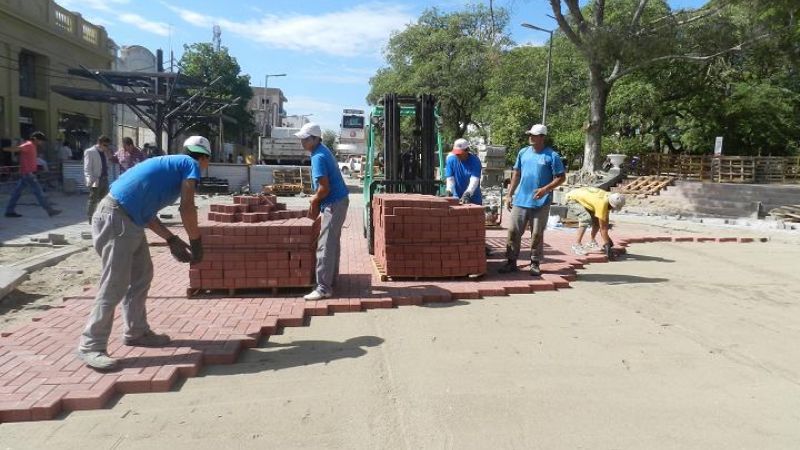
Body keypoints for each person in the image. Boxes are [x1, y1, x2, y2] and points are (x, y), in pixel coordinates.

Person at [76, 136, 210, 370]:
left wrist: (171, 239)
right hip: (116, 219)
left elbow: (146, 212)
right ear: (205, 158)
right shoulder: (190, 165)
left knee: (141, 276)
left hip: (128, 219)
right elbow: (187, 206)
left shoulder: (169, 167)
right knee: (114, 284)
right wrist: (196, 241)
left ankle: (136, 331)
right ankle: (91, 345)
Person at [499, 124, 566, 276]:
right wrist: (509, 194)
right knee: (513, 231)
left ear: (542, 137)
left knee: (537, 233)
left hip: (540, 202)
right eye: (530, 134)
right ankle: (511, 262)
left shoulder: (552, 156)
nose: (531, 137)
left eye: (534, 135)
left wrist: (545, 189)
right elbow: (516, 174)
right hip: (521, 200)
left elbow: (561, 178)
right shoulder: (523, 152)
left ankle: (535, 262)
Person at [295, 123, 349, 301]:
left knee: (325, 244)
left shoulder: (318, 156)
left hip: (334, 202)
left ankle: (324, 288)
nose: (302, 141)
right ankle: (331, 280)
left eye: (305, 138)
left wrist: (314, 200)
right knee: (332, 242)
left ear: (315, 139)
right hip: (338, 201)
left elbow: (324, 188)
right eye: (302, 138)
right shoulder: (322, 150)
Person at [3, 131, 61, 218]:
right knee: (39, 193)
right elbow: (18, 148)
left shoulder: (32, 145)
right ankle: (50, 210)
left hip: (26, 174)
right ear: (35, 139)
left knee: (16, 193)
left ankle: (9, 211)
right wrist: (4, 148)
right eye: (41, 140)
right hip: (29, 174)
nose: (41, 142)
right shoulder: (29, 144)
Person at [565, 187, 626, 258]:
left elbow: (604, 222)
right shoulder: (602, 204)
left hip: (585, 198)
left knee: (597, 221)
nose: (613, 209)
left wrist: (607, 240)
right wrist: (607, 245)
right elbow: (603, 228)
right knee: (585, 218)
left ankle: (591, 242)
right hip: (572, 199)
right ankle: (576, 245)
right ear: (611, 204)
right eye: (613, 207)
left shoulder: (609, 198)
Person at [83, 135, 113, 221]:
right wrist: (89, 180)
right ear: (99, 143)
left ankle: (102, 217)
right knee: (93, 199)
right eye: (105, 145)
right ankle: (90, 218)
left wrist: (109, 156)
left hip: (105, 178)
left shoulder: (105, 152)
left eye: (108, 145)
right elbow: (87, 167)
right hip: (95, 179)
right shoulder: (90, 152)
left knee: (104, 200)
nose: (106, 147)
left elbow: (108, 164)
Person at [445, 138, 482, 205]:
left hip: (474, 198)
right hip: (456, 197)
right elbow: (450, 179)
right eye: (456, 153)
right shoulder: (451, 160)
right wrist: (449, 190)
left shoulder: (475, 161)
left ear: (467, 151)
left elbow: (474, 180)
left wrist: (468, 193)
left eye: (459, 153)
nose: (457, 155)